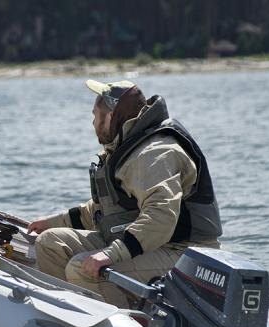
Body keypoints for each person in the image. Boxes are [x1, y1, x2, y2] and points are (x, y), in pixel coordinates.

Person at [27, 80, 222, 307]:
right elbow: (109, 209)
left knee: (82, 269)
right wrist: (54, 221)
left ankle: (126, 322)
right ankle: (64, 311)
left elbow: (160, 216)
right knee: (51, 243)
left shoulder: (154, 154)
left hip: (183, 252)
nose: (92, 122)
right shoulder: (127, 145)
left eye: (95, 115)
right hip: (149, 242)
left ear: (111, 117)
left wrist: (111, 254)